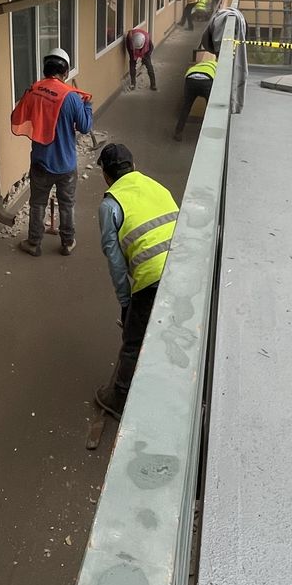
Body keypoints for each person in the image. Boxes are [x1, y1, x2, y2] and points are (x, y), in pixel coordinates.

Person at [94, 143, 180, 419]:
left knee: (133, 340)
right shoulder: (156, 186)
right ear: (134, 165)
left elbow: (116, 263)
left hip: (152, 276)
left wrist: (125, 302)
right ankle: (166, 380)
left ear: (106, 176)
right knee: (172, 327)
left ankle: (117, 399)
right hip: (184, 267)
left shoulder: (110, 205)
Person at [10, 47, 93, 255]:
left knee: (37, 204)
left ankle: (34, 243)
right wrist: (88, 106)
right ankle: (67, 242)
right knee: (67, 204)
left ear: (45, 69)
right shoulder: (71, 97)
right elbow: (84, 127)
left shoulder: (33, 90)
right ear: (65, 73)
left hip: (40, 161)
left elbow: (18, 115)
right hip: (65, 164)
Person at [173, 49, 217, 141]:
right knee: (210, 109)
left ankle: (178, 132)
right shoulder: (216, 65)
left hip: (191, 79)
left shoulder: (200, 64)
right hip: (207, 81)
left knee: (186, 107)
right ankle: (210, 133)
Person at [125, 25, 157, 91]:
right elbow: (129, 48)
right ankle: (133, 83)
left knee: (149, 66)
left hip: (145, 52)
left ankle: (153, 84)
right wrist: (133, 56)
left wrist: (145, 58)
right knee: (132, 64)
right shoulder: (130, 38)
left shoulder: (147, 38)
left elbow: (151, 48)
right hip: (133, 50)